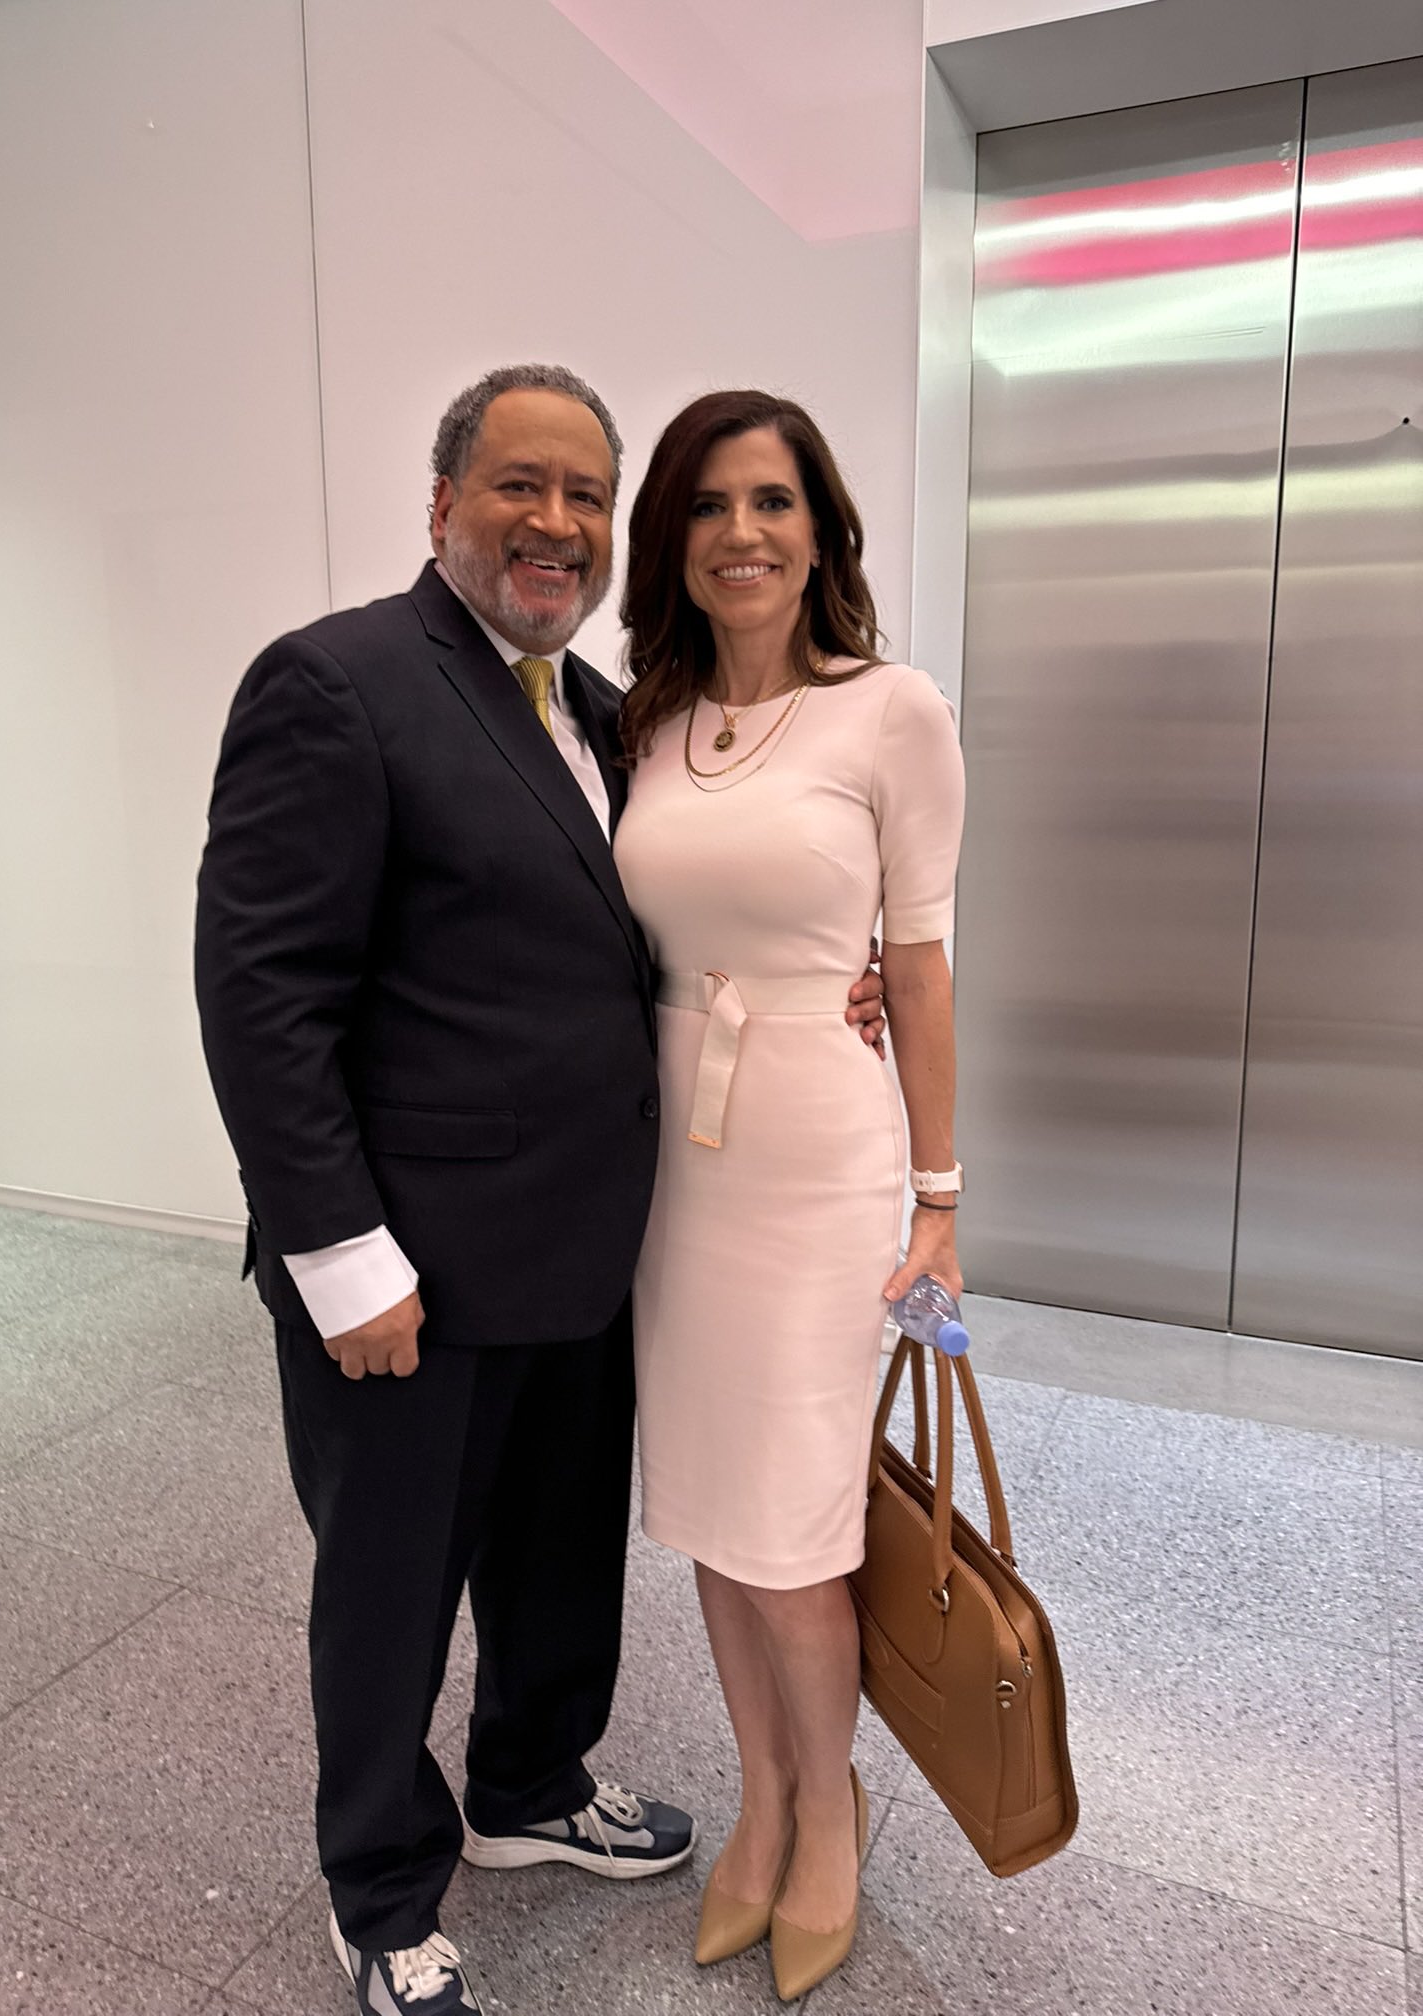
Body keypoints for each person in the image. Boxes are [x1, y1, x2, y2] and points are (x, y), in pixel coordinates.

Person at [193, 364, 884, 2016]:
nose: (554, 521)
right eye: (519, 484)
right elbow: (261, 993)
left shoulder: (592, 707)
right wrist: (340, 1260)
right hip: (409, 1270)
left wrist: (831, 974)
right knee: (390, 1584)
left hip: (590, 1248)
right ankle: (376, 1884)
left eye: (585, 491)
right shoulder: (339, 682)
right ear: (443, 504)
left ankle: (528, 1784)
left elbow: (660, 925)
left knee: (558, 1559)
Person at [613, 391, 966, 2001]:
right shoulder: (647, 723)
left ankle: (835, 1808)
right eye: (705, 506)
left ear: (820, 526)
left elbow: (919, 961)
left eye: (771, 501)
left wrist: (941, 1199)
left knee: (799, 1529)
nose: (740, 533)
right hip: (670, 1156)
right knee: (705, 1504)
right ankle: (758, 1796)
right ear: (669, 542)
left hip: (819, 1152)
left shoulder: (890, 709)